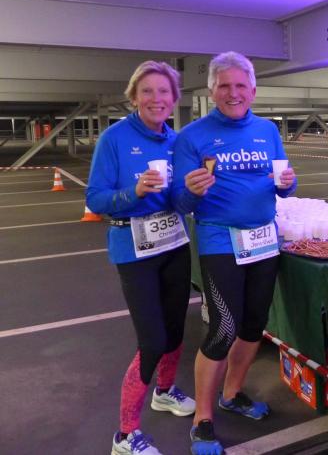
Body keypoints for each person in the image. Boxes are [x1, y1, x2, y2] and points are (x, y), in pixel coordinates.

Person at [171, 51, 297, 455]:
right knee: (223, 328)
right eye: (224, 86)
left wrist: (288, 183)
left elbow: (282, 183)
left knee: (254, 325)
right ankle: (203, 418)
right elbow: (180, 203)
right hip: (220, 241)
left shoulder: (267, 131)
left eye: (241, 85)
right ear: (212, 91)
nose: (233, 93)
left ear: (253, 91)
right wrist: (191, 191)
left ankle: (232, 393)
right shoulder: (193, 136)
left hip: (264, 240)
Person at [87, 61, 196, 455]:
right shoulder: (114, 139)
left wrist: (194, 190)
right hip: (134, 250)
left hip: (174, 243)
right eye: (147, 91)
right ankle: (125, 434)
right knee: (152, 341)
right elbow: (95, 199)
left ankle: (164, 392)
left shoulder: (177, 141)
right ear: (134, 97)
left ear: (174, 99)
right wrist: (133, 192)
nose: (156, 98)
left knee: (176, 331)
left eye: (164, 91)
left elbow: (180, 202)